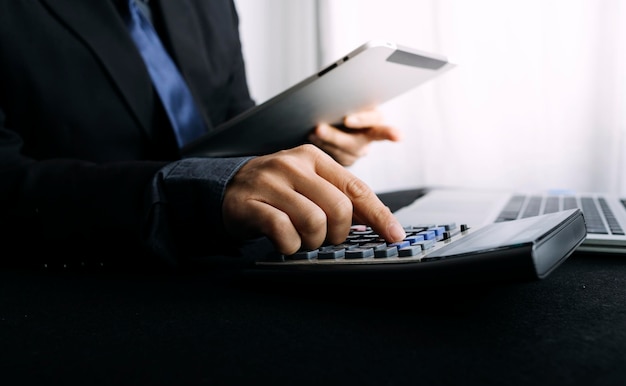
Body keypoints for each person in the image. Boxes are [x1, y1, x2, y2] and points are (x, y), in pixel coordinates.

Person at [0, 0, 405, 270]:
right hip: (85, 278)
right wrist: (200, 193)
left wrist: (311, 142)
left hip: (234, 258)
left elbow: (232, 125)